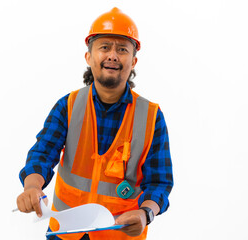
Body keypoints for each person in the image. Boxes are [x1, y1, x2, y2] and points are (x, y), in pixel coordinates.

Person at [17, 7, 173, 240]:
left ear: (134, 61)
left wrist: (145, 214)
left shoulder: (151, 117)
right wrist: (31, 187)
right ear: (89, 57)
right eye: (104, 47)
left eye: (122, 49)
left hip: (119, 236)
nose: (112, 55)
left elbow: (159, 182)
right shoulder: (68, 106)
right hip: (66, 233)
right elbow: (43, 153)